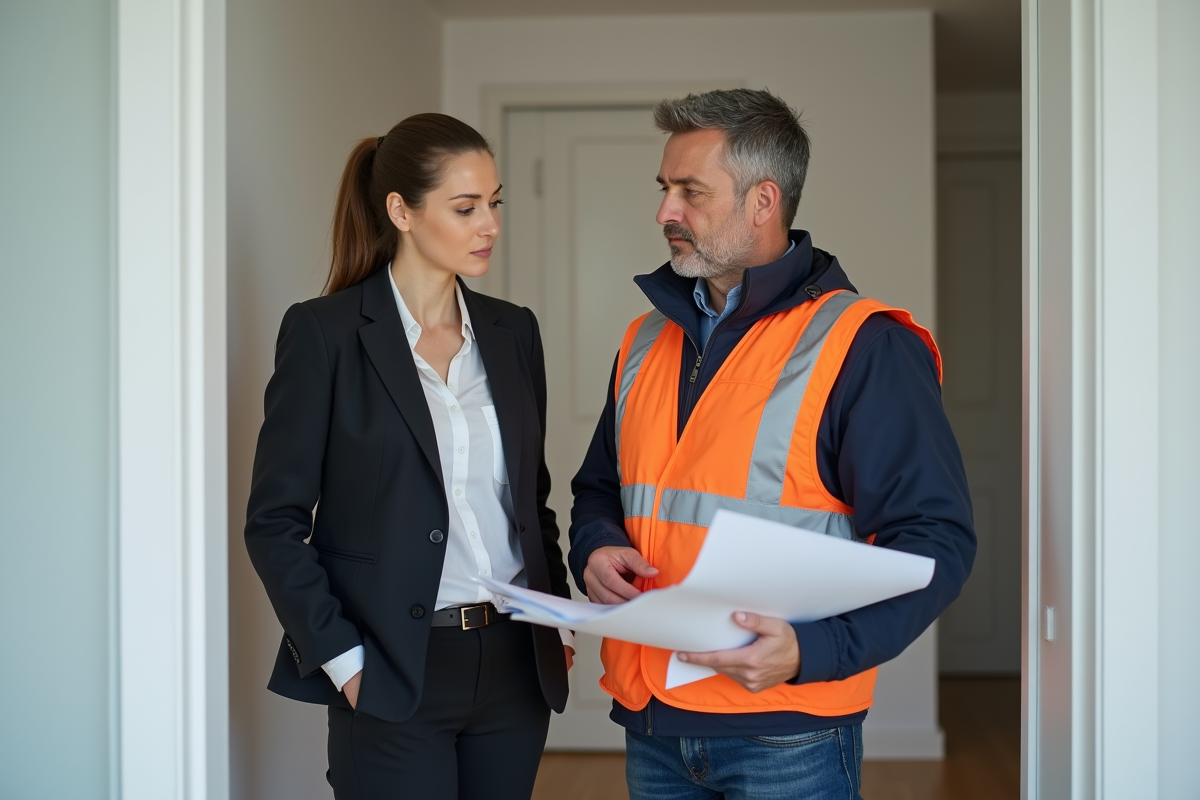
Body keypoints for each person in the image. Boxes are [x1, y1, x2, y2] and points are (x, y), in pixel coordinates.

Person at [568, 89, 976, 799]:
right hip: (653, 725)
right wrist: (594, 546)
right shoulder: (644, 341)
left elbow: (937, 541)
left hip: (789, 736)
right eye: (664, 189)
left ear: (764, 201)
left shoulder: (865, 346)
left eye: (690, 191)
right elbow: (600, 488)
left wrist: (815, 652)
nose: (665, 211)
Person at [244, 113, 574, 800]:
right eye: (465, 207)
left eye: (496, 202)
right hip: (393, 669)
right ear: (401, 210)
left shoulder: (515, 332)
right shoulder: (325, 334)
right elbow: (273, 523)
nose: (489, 224)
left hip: (515, 668)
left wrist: (557, 618)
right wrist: (345, 662)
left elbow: (528, 504)